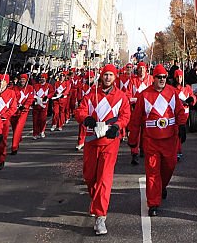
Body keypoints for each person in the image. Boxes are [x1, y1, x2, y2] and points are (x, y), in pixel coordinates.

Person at [75, 64, 131, 236]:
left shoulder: (121, 96)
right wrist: (87, 119)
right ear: (101, 76)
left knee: (104, 179)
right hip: (91, 142)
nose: (108, 78)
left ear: (115, 78)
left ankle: (100, 216)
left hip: (110, 143)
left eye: (111, 75)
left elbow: (125, 115)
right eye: (105, 74)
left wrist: (118, 126)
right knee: (90, 176)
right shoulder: (92, 95)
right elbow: (79, 111)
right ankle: (96, 200)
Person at [128, 65, 186, 217]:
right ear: (153, 78)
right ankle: (153, 203)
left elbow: (180, 111)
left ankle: (161, 187)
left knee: (169, 166)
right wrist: (133, 140)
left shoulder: (172, 92)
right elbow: (135, 120)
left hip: (170, 140)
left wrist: (182, 126)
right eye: (159, 77)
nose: (161, 80)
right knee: (152, 172)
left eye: (164, 77)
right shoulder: (144, 95)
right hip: (151, 140)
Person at [10, 74, 32, 154]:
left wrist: (25, 106)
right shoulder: (14, 88)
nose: (22, 81)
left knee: (18, 127)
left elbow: (30, 98)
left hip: (23, 111)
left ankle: (14, 147)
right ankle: (18, 138)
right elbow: (11, 96)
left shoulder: (30, 88)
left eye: (24, 79)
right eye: (21, 79)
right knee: (14, 127)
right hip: (14, 110)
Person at [30, 73, 51, 139]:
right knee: (35, 120)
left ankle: (42, 131)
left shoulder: (48, 86)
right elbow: (32, 93)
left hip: (44, 105)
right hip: (36, 105)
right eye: (41, 77)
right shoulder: (35, 86)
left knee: (42, 119)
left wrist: (47, 96)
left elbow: (52, 92)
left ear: (46, 78)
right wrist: (34, 99)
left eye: (43, 77)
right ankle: (35, 133)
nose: (42, 79)